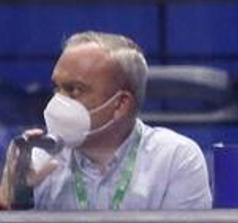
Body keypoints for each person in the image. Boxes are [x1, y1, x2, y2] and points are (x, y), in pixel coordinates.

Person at [0, 31, 211, 211]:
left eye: (74, 90)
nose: (58, 101)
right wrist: (14, 204)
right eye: (57, 87)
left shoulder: (174, 160)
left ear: (120, 104)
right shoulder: (37, 160)